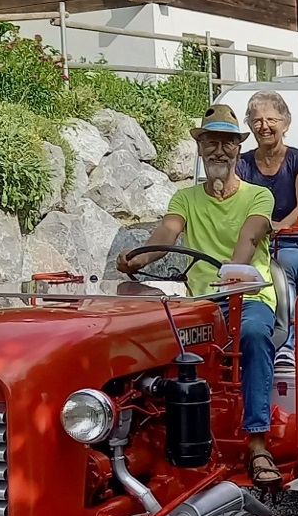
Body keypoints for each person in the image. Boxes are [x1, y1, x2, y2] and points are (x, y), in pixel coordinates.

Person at [115, 104, 282, 487]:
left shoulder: (259, 197)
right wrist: (137, 259)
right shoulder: (185, 198)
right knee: (148, 340)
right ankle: (149, 440)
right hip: (202, 305)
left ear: (239, 149)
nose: (219, 150)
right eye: (211, 142)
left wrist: (234, 274)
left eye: (226, 142)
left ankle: (257, 442)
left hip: (249, 296)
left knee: (255, 336)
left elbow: (250, 236)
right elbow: (166, 234)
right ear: (201, 148)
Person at [236, 90, 298, 372]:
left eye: (271, 119)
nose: (264, 126)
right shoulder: (242, 164)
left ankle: (287, 346)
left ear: (286, 123)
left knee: (277, 267)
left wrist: (276, 226)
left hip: (296, 246)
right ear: (249, 125)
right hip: (253, 244)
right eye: (257, 120)